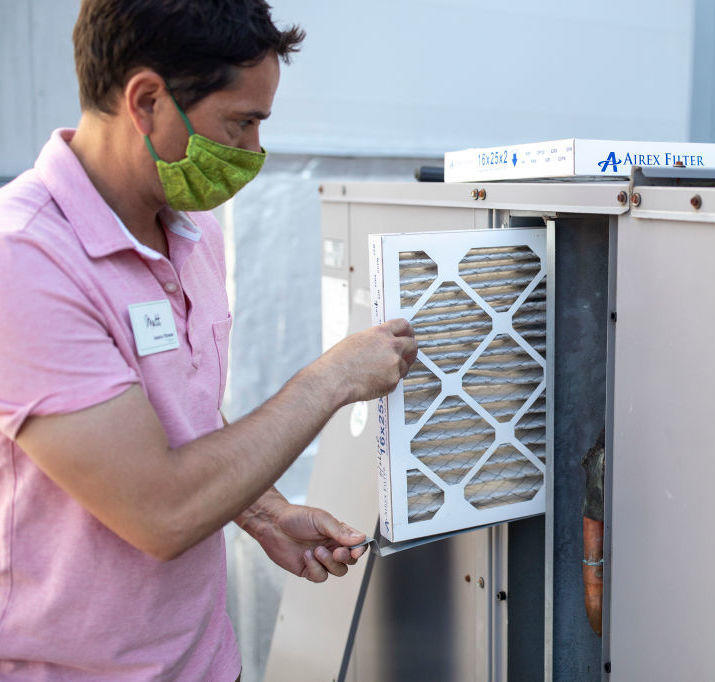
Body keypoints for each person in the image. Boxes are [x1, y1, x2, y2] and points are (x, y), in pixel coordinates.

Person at [0, 1, 417, 679]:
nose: (253, 151)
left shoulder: (192, 232)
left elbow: (171, 410)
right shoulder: (25, 258)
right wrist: (331, 379)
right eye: (241, 122)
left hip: (201, 661)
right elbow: (159, 513)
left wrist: (265, 512)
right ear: (146, 100)